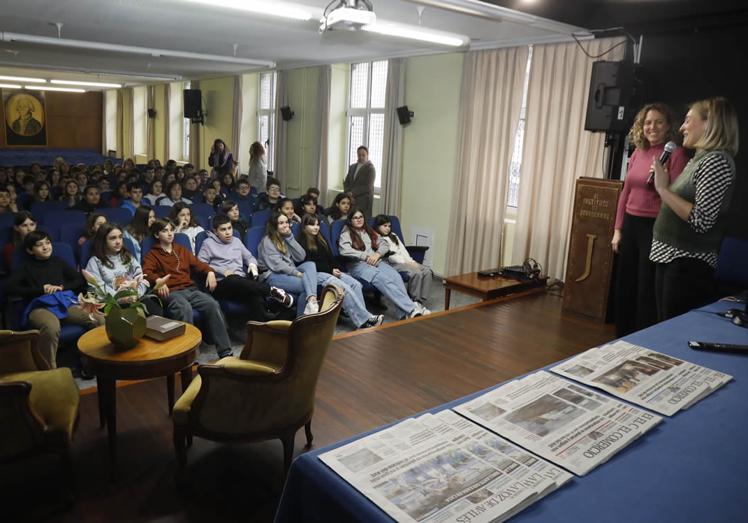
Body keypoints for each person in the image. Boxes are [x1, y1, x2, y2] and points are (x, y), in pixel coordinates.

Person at [650, 97, 739, 321]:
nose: (682, 127)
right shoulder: (699, 159)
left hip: (687, 264)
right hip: (671, 259)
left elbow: (702, 220)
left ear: (709, 124)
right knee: (662, 327)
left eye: (688, 120)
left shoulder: (716, 162)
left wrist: (663, 188)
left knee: (671, 333)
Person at [611, 103, 689, 337]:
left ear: (668, 127)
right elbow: (626, 192)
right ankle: (621, 335)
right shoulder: (637, 152)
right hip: (631, 225)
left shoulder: (676, 155)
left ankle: (642, 337)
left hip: (655, 227)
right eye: (647, 122)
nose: (652, 127)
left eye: (658, 122)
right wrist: (618, 229)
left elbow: (675, 194)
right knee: (626, 284)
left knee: (646, 287)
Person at [6, 231, 103, 368]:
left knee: (98, 318)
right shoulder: (25, 267)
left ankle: (94, 361)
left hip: (63, 302)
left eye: (47, 243)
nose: (45, 247)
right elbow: (9, 288)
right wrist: (41, 289)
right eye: (39, 245)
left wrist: (62, 287)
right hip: (39, 306)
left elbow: (79, 279)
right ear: (30, 250)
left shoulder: (58, 261)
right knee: (51, 327)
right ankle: (49, 369)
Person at [142, 219, 233, 359]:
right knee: (183, 307)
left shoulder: (181, 250)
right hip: (170, 292)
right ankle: (189, 355)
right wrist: (158, 281)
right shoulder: (153, 254)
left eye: (171, 230)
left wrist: (210, 272)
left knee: (212, 304)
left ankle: (225, 351)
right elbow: (147, 272)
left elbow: (198, 264)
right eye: (164, 231)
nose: (169, 233)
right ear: (156, 235)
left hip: (189, 289)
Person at [198, 214, 294, 322]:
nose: (228, 232)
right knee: (234, 279)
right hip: (221, 284)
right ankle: (271, 290)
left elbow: (249, 257)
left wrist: (252, 265)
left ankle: (264, 325)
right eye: (223, 229)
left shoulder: (236, 241)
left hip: (241, 282)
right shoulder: (208, 244)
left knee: (254, 295)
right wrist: (221, 271)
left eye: (229, 228)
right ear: (215, 231)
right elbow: (200, 264)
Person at [298, 213, 383, 329]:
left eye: (317, 224)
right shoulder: (301, 241)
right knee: (343, 289)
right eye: (312, 225)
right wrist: (331, 270)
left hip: (329, 271)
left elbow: (330, 258)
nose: (316, 227)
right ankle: (365, 320)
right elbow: (311, 265)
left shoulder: (321, 238)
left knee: (355, 284)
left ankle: (364, 318)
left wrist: (335, 268)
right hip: (314, 275)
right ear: (304, 226)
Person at [339, 208, 423, 319]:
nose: (359, 220)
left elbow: (384, 244)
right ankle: (411, 309)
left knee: (395, 276)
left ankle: (403, 314)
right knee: (383, 279)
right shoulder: (346, 232)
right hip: (358, 265)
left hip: (376, 261)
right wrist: (365, 256)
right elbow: (344, 250)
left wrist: (377, 254)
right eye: (355, 218)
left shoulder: (368, 230)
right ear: (350, 220)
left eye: (361, 217)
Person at [84, 223, 163, 316]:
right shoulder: (95, 261)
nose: (118, 241)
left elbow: (140, 277)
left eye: (120, 237)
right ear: (103, 241)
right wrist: (122, 298)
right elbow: (98, 288)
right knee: (138, 313)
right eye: (113, 238)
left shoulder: (127, 256)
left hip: (134, 297)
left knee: (154, 307)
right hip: (112, 303)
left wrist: (136, 294)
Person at [257, 211, 320, 316]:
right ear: (274, 225)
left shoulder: (285, 238)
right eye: (281, 223)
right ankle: (303, 319)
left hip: (288, 272)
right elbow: (277, 266)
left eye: (286, 222)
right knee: (307, 286)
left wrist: (290, 237)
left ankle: (310, 302)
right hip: (272, 276)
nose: (285, 225)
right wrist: (297, 273)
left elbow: (301, 256)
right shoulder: (267, 241)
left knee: (310, 264)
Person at [373, 215, 433, 313]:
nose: (388, 228)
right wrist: (407, 263)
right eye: (385, 226)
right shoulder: (377, 238)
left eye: (389, 226)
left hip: (407, 261)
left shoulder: (393, 236)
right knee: (416, 273)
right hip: (394, 264)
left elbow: (403, 250)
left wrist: (411, 261)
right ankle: (414, 300)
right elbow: (390, 257)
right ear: (378, 226)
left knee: (427, 271)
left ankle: (419, 302)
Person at [343, 145, 375, 219]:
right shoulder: (352, 167)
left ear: (367, 155)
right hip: (350, 200)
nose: (361, 157)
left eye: (363, 155)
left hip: (363, 202)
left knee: (361, 222)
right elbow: (346, 182)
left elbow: (368, 187)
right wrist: (348, 194)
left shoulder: (370, 168)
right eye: (359, 155)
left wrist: (352, 193)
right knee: (351, 220)